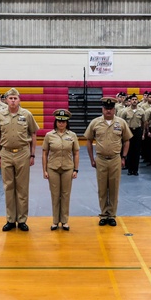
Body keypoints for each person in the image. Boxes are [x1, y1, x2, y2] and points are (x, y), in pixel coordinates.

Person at [0, 88, 39, 232]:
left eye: (15, 98)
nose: (13, 100)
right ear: (6, 100)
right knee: (8, 187)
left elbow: (33, 135)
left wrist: (32, 155)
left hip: (22, 153)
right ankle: (10, 219)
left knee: (22, 188)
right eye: (10, 98)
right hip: (6, 153)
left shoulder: (27, 115)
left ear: (19, 100)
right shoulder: (0, 115)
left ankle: (22, 220)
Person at [84, 97, 132, 227]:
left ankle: (112, 215)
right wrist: (91, 159)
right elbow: (88, 140)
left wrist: (124, 157)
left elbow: (127, 140)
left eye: (111, 109)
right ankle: (104, 214)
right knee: (102, 188)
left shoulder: (121, 123)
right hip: (101, 159)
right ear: (102, 109)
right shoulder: (95, 123)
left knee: (114, 188)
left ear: (114, 109)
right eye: (106, 109)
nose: (108, 111)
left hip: (115, 159)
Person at [42, 109, 80, 231]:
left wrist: (76, 169)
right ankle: (55, 221)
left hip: (67, 168)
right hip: (53, 168)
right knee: (55, 195)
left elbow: (76, 153)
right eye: (59, 121)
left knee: (65, 195)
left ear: (67, 122)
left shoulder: (72, 135)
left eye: (63, 121)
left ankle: (64, 221)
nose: (61, 123)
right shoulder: (49, 135)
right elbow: (44, 153)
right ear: (56, 122)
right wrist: (44, 170)